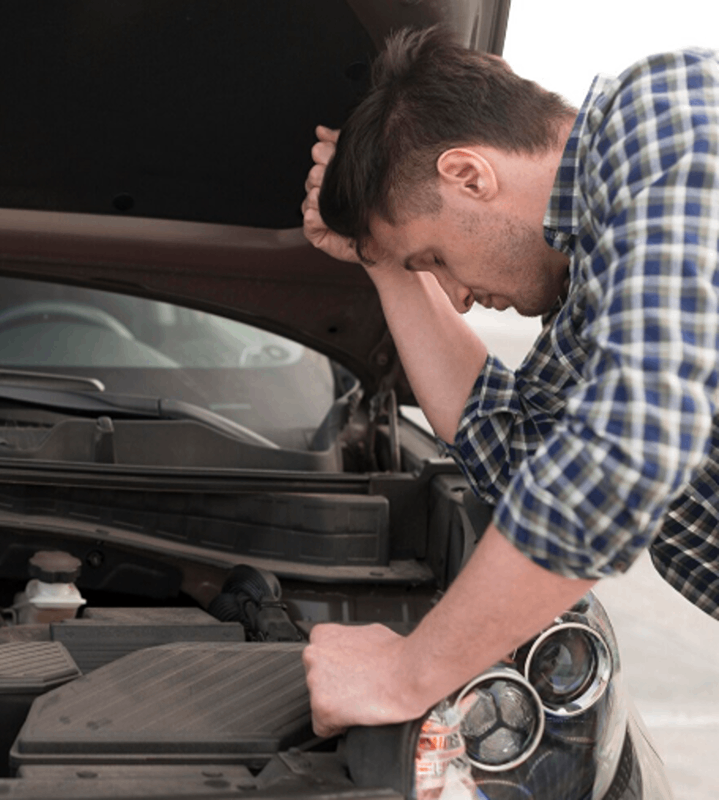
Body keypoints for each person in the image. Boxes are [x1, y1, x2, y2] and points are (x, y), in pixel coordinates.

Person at [299, 26, 719, 738]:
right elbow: (515, 454)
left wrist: (408, 673)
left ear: (469, 175)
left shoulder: (668, 117)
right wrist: (385, 263)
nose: (455, 298)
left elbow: (623, 455)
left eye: (434, 258)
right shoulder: (590, 294)